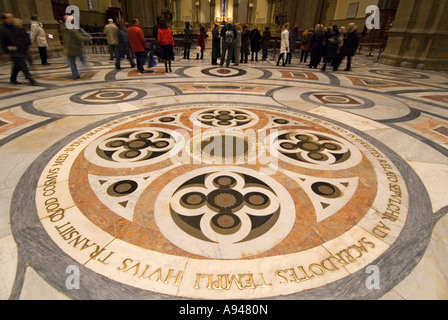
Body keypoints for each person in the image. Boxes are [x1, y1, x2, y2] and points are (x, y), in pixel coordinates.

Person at [0, 12, 37, 85]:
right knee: (21, 62)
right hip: (11, 49)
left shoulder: (16, 28)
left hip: (21, 48)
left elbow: (24, 36)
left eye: (11, 16)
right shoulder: (2, 29)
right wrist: (3, 52)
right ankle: (29, 77)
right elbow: (1, 42)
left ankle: (13, 79)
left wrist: (27, 42)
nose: (11, 18)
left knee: (17, 64)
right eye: (9, 17)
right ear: (5, 19)